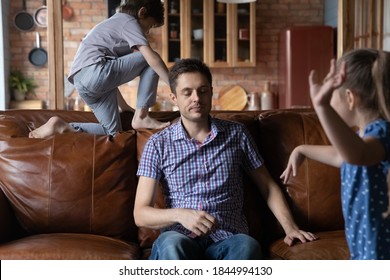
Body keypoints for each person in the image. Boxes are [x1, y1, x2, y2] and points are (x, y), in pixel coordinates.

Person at [134, 58, 317, 260]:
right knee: (171, 245)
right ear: (174, 98)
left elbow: (267, 186)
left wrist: (290, 228)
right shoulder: (158, 143)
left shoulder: (237, 134)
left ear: (211, 92)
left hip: (228, 238)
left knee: (247, 246)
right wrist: (180, 215)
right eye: (187, 92)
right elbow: (140, 213)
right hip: (179, 238)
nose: (196, 98)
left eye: (203, 90)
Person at [280, 48, 390, 260]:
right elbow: (342, 156)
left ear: (350, 98)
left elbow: (355, 155)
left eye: (333, 97)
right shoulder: (364, 137)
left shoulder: (382, 133)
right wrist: (301, 149)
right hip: (364, 245)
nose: (330, 103)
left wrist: (321, 106)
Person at [29, 0, 170, 138]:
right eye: (149, 26)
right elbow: (152, 59)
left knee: (113, 134)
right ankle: (142, 116)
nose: (147, 32)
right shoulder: (128, 21)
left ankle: (61, 127)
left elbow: (110, 80)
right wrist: (175, 85)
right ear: (142, 12)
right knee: (150, 58)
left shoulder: (114, 24)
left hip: (83, 83)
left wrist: (124, 106)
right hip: (95, 71)